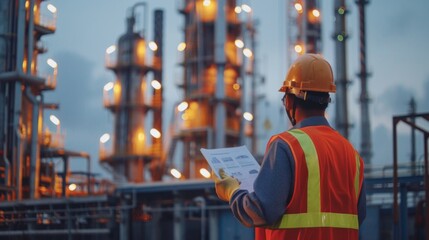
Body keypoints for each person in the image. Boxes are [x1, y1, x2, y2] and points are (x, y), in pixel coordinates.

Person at [214, 53, 366, 240]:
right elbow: (359, 216)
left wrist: (231, 191)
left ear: (289, 100)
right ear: (327, 100)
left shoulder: (287, 146)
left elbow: (260, 210)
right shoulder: (351, 154)